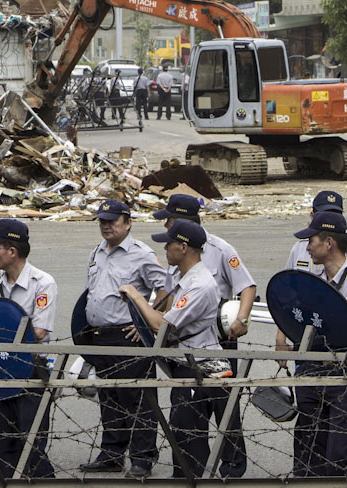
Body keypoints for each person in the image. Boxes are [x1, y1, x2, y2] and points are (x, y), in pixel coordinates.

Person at [153, 194, 255, 477]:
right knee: (186, 406)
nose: (166, 228)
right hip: (186, 337)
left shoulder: (220, 249)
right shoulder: (175, 254)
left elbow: (246, 286)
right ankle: (188, 468)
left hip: (219, 336)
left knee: (224, 407)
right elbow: (168, 294)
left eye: (170, 220)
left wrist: (242, 319)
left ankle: (233, 468)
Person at [122, 219, 227, 478]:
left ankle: (191, 479)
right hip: (183, 364)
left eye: (168, 245)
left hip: (198, 367)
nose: (165, 250)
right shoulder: (184, 277)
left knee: (189, 434)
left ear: (183, 247)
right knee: (181, 431)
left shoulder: (200, 284)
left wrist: (136, 297)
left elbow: (162, 325)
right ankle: (184, 477)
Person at [279, 212, 347, 478]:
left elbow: (346, 312)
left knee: (341, 450)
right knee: (308, 446)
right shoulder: (313, 277)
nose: (307, 246)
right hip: (311, 368)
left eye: (311, 240)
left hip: (345, 371)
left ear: (329, 242)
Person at [80, 200, 171, 477]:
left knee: (138, 398)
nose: (106, 225)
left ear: (127, 222)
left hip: (128, 336)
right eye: (102, 221)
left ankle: (142, 457)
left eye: (112, 221)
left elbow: (166, 289)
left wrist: (146, 319)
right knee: (110, 397)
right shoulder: (98, 251)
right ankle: (112, 453)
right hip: (100, 336)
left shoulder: (141, 254)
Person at [0, 218, 57, 479]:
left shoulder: (42, 283)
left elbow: (38, 332)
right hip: (0, 368)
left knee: (31, 443)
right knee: (2, 442)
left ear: (12, 251)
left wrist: (1, 331)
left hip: (30, 370)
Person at [286, 191, 347, 277]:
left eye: (336, 215)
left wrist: (340, 260)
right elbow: (287, 281)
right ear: (312, 215)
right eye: (324, 214)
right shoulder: (300, 247)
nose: (330, 218)